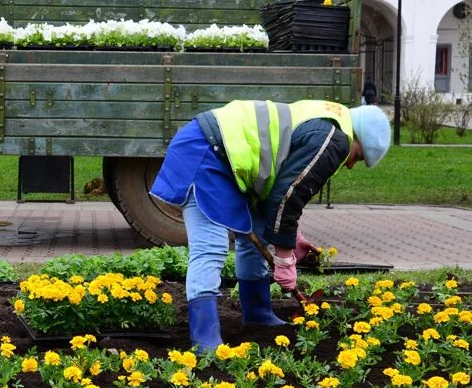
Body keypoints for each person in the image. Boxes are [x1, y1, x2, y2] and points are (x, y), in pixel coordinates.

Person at [150, 100, 391, 351]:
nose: (351, 164)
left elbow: (281, 182)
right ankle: (205, 341)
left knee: (256, 239)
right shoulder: (335, 139)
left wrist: (291, 237)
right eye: (359, 156)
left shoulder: (327, 119)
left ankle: (258, 315)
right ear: (358, 138)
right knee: (210, 247)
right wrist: (285, 258)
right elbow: (290, 195)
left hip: (225, 155)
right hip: (206, 151)